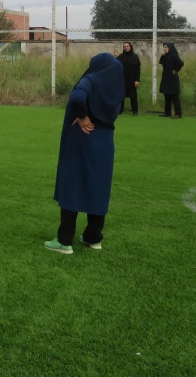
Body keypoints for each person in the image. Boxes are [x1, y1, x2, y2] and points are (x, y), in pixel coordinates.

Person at [46, 53, 124, 254]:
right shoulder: (116, 86)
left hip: (83, 139)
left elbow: (77, 97)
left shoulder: (90, 79)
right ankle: (93, 237)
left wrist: (82, 117)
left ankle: (64, 240)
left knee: (73, 182)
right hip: (105, 142)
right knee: (98, 186)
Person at [158, 42, 184, 119]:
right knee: (167, 96)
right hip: (166, 77)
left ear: (170, 48)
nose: (165, 49)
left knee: (174, 96)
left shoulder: (174, 56)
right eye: (164, 47)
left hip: (173, 78)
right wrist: (163, 55)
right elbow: (161, 62)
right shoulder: (165, 56)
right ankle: (167, 112)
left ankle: (178, 114)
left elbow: (181, 63)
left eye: (166, 47)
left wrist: (175, 70)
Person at [116, 42, 140, 115]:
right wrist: (115, 56)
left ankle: (135, 111)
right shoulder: (120, 56)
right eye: (125, 46)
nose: (126, 47)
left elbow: (138, 70)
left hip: (132, 80)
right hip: (122, 79)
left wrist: (137, 80)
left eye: (127, 46)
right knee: (121, 95)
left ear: (130, 47)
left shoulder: (135, 57)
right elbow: (115, 64)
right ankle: (120, 110)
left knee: (133, 96)